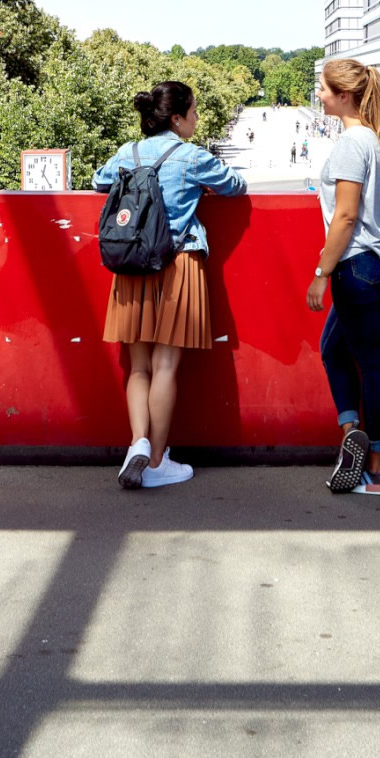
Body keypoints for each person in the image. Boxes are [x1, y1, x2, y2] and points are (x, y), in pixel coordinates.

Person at [94, 80, 247, 490]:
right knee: (165, 366)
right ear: (177, 118)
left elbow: (98, 181)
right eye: (194, 111)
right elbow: (235, 186)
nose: (197, 118)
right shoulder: (193, 156)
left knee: (139, 366)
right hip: (178, 263)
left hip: (131, 266)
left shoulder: (130, 152)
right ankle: (159, 462)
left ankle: (137, 445)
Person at [306, 58, 380, 497]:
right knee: (334, 349)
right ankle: (352, 434)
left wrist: (321, 273)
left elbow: (344, 216)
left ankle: (378, 465)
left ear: (344, 95)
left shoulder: (351, 143)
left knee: (372, 363)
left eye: (324, 89)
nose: (320, 95)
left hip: (356, 267)